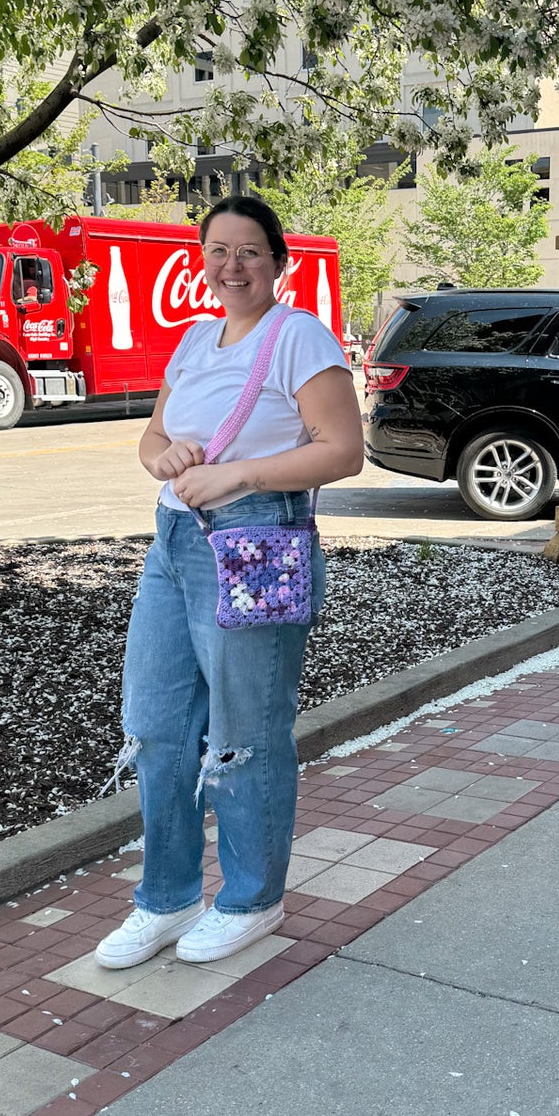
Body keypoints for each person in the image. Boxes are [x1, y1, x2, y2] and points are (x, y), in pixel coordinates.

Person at [96, 194, 364, 970]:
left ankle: (250, 898)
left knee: (244, 735)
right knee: (157, 726)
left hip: (257, 541)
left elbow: (343, 450)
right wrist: (165, 459)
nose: (232, 265)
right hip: (175, 542)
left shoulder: (298, 337)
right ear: (200, 258)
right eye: (218, 249)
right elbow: (153, 434)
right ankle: (167, 895)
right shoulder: (191, 342)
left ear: (278, 262)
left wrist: (237, 473)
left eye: (250, 251)